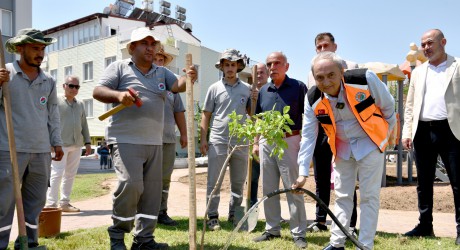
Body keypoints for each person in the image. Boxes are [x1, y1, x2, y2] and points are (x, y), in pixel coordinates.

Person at [92, 27, 196, 250]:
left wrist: (188, 77)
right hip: (125, 140)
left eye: (153, 44)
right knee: (131, 184)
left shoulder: (161, 72)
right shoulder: (119, 68)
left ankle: (144, 240)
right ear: (132, 47)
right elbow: (98, 91)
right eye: (144, 43)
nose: (150, 48)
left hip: (154, 142)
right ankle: (118, 235)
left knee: (151, 192)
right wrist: (119, 95)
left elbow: (177, 86)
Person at [294, 51, 396, 250]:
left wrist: (385, 140)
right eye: (320, 77)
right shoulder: (313, 97)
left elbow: (389, 108)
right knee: (342, 197)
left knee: (369, 197)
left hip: (370, 142)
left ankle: (365, 245)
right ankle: (336, 243)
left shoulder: (364, 79)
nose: (326, 82)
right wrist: (302, 172)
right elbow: (308, 136)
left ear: (342, 71)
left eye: (331, 75)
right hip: (341, 148)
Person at [0, 28, 64, 249]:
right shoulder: (5, 74)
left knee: (35, 201)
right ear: (20, 49)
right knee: (3, 202)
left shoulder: (48, 80)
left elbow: (53, 113)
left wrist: (56, 141)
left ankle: (29, 243)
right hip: (9, 149)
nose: (40, 53)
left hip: (40, 150)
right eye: (35, 48)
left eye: (42, 49)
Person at [402, 29, 460, 245]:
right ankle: (425, 225)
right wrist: (407, 132)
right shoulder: (418, 71)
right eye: (423, 44)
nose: (426, 48)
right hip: (422, 132)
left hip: (452, 131)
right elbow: (410, 106)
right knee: (423, 183)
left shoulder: (458, 65)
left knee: (457, 183)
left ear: (443, 42)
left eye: (429, 43)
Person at [252, 51, 308, 249]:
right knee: (269, 188)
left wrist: (303, 141)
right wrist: (256, 142)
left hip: (290, 140)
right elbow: (259, 119)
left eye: (277, 63)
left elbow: (307, 116)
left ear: (287, 66)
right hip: (267, 141)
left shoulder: (299, 87)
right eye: (269, 64)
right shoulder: (264, 90)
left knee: (294, 187)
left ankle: (299, 232)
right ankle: (272, 229)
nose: (272, 67)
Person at [306, 32, 359, 235]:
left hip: (345, 132)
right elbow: (312, 105)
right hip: (322, 130)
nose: (322, 50)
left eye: (325, 45)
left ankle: (351, 225)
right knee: (321, 178)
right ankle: (320, 220)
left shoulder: (352, 67)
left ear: (335, 46)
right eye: (318, 47)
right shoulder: (312, 72)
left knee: (345, 178)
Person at [200, 49, 250, 231]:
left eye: (233, 65)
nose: (230, 68)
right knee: (214, 181)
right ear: (221, 66)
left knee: (238, 182)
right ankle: (212, 216)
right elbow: (206, 115)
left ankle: (235, 214)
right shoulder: (214, 88)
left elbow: (253, 115)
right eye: (227, 65)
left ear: (238, 67)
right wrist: (203, 139)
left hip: (241, 141)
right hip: (218, 139)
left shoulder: (247, 89)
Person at [45, 75, 91, 213]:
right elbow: (48, 122)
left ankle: (65, 203)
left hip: (76, 144)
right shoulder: (55, 101)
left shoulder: (81, 104)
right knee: (56, 173)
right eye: (71, 86)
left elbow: (84, 124)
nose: (74, 89)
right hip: (59, 144)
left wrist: (88, 142)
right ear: (64, 86)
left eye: (77, 86)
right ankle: (51, 204)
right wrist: (51, 141)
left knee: (70, 174)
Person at [153, 44, 187, 227]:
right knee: (146, 177)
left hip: (167, 138)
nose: (159, 62)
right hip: (147, 138)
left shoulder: (172, 85)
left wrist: (183, 134)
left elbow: (179, 111)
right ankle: (143, 213)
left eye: (161, 60)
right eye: (155, 59)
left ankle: (161, 211)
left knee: (165, 177)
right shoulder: (145, 80)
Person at [250, 62, 269, 207]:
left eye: (262, 72)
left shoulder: (272, 90)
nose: (259, 75)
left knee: (270, 178)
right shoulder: (247, 91)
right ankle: (251, 205)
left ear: (268, 74)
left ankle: (272, 209)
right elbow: (248, 114)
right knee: (252, 177)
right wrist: (253, 100)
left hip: (269, 141)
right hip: (251, 141)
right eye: (256, 73)